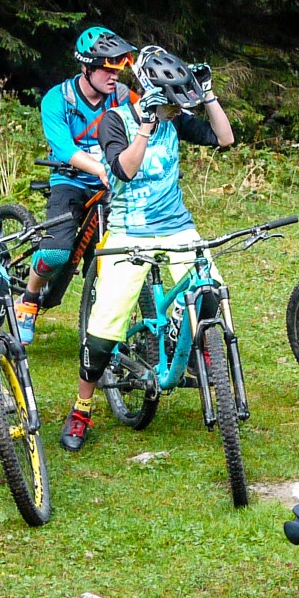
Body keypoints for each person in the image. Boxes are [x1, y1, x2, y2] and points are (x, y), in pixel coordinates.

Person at [62, 47, 234, 451]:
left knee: (211, 292)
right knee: (103, 333)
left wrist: (208, 94)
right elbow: (124, 170)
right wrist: (145, 125)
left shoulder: (175, 121)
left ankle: (193, 347)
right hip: (128, 232)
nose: (175, 112)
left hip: (177, 228)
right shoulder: (114, 121)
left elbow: (225, 138)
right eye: (170, 104)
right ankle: (82, 408)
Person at [13, 26, 137, 343]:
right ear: (86, 67)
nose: (115, 76)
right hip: (69, 180)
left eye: (118, 69)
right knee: (56, 253)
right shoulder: (58, 99)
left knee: (123, 254)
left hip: (112, 186)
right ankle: (29, 299)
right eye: (107, 69)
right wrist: (100, 168)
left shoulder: (124, 97)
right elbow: (64, 148)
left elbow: (148, 127)